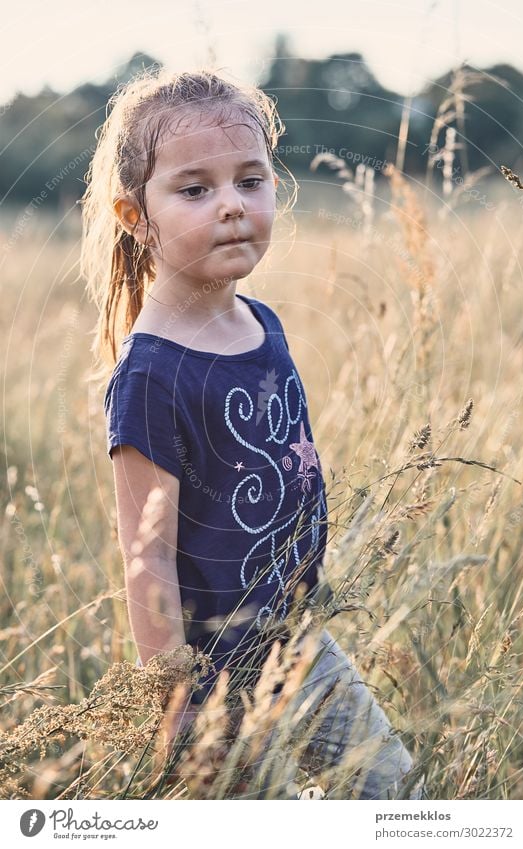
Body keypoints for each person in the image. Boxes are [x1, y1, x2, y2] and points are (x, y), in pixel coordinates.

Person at [80, 67, 423, 799]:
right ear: (136, 216)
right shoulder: (151, 374)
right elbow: (146, 565)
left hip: (299, 640)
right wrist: (179, 710)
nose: (232, 205)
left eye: (250, 179)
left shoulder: (261, 322)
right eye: (195, 189)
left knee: (389, 789)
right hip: (216, 677)